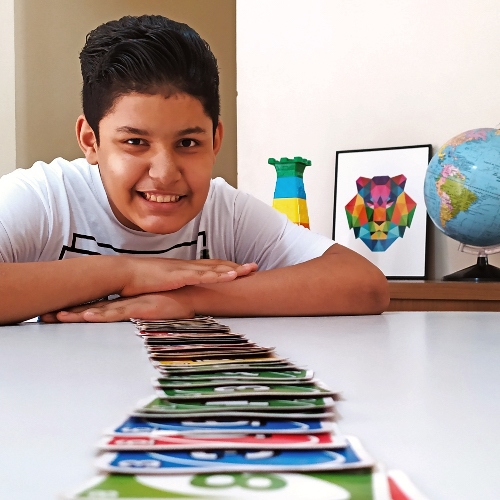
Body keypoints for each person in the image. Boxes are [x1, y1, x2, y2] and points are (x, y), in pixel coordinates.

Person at [0, 15, 389, 325]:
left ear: (215, 139)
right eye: (135, 142)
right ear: (90, 140)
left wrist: (184, 300)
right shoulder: (45, 199)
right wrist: (124, 273)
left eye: (188, 143)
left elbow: (365, 286)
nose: (165, 173)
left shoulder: (226, 211)